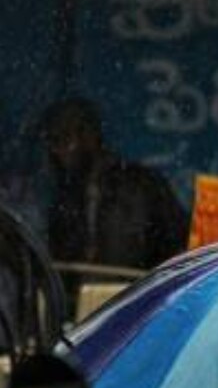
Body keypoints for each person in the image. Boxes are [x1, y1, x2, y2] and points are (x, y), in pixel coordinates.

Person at [40, 97, 186, 271]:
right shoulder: (64, 199)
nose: (57, 152)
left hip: (136, 285)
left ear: (88, 136)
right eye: (52, 143)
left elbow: (178, 245)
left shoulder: (142, 186)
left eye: (62, 139)